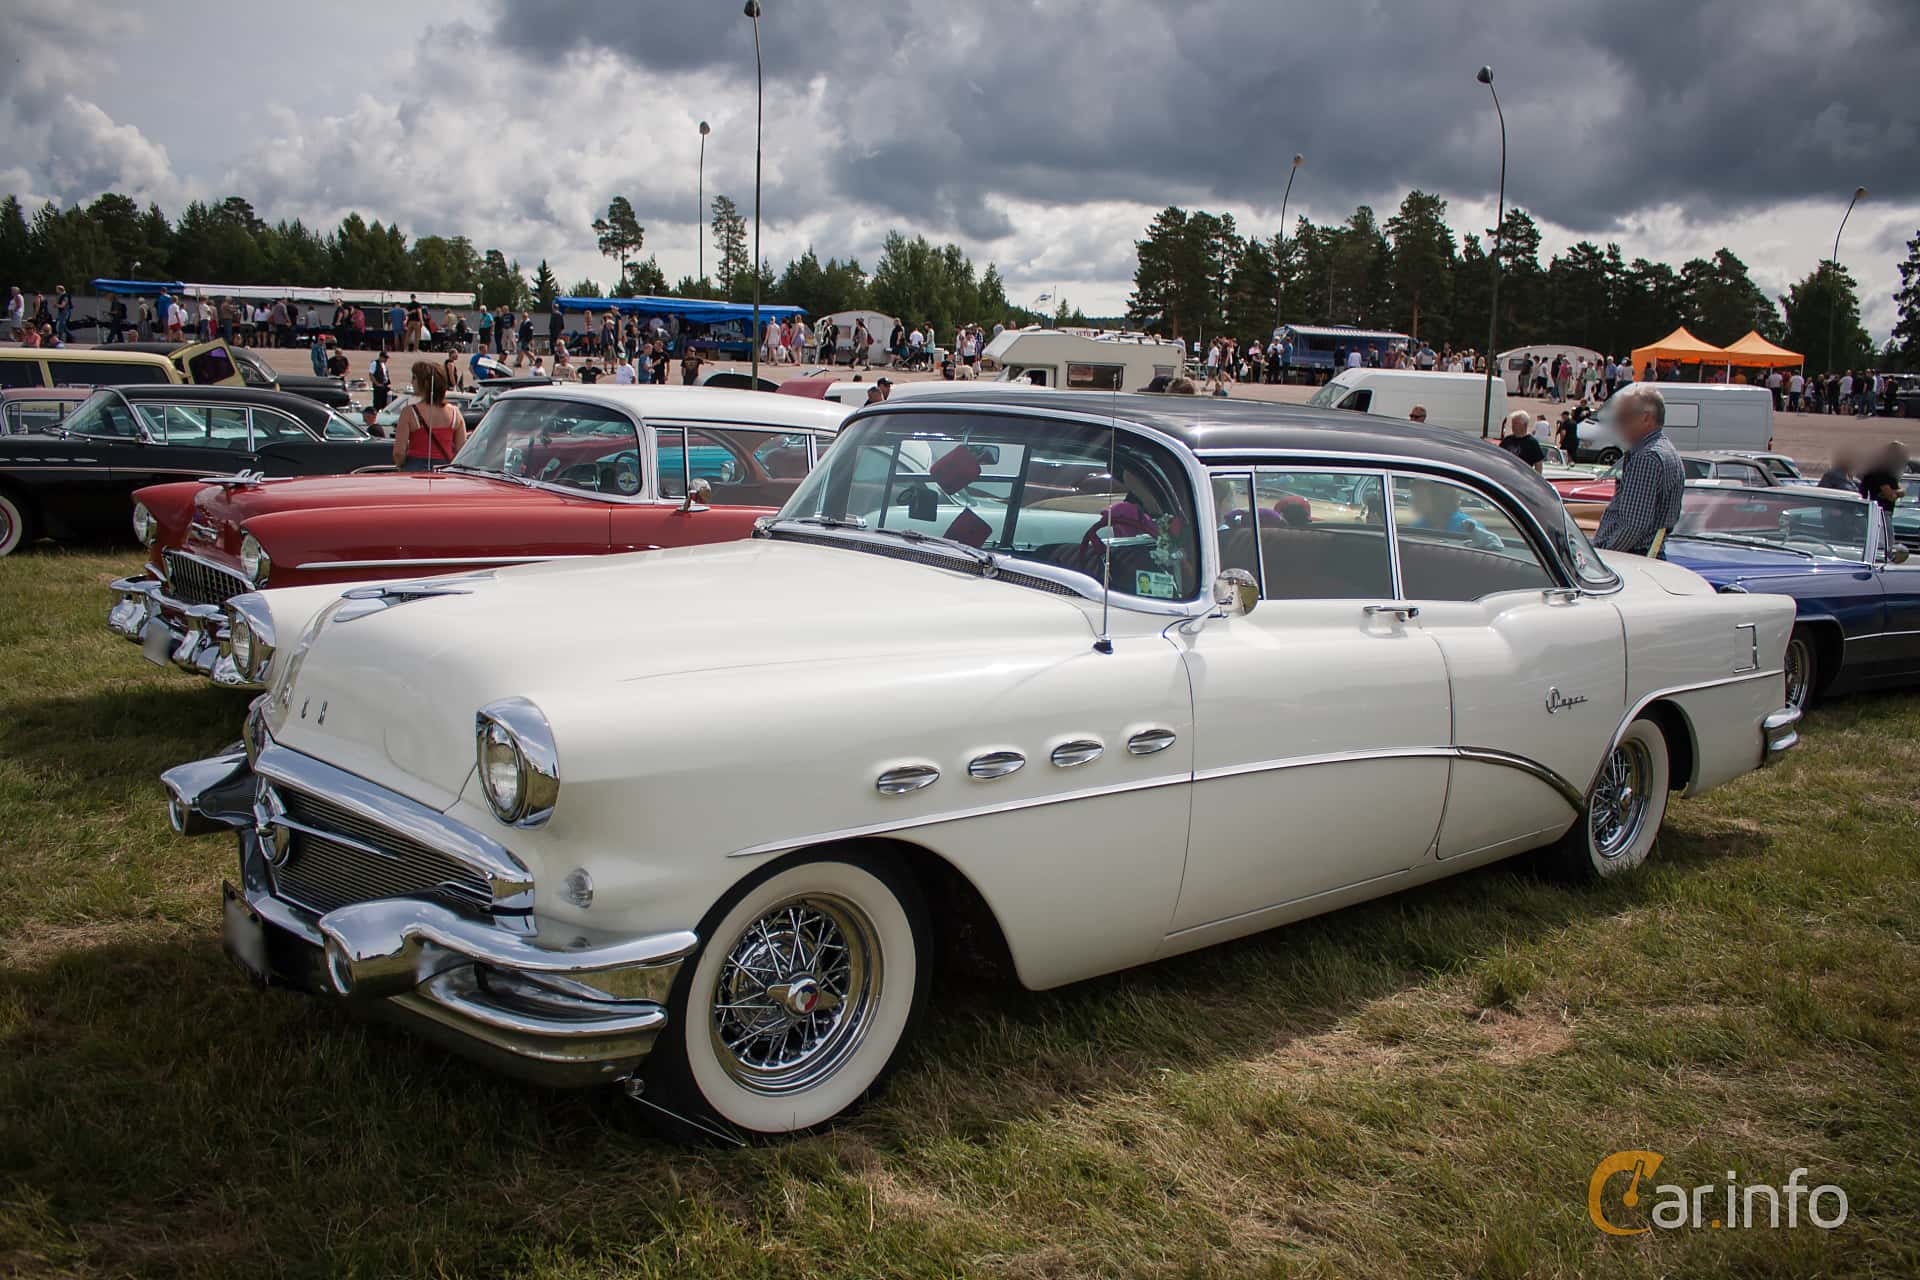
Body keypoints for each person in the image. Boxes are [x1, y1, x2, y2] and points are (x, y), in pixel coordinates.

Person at [1592, 384, 1684, 556]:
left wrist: (1606, 555)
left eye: (1624, 418)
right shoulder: (1665, 450)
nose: (1618, 425)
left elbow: (1633, 523)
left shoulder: (1646, 457)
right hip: (1644, 554)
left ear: (1646, 418)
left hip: (1632, 556)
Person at [392, 361, 467, 472]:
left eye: (414, 377)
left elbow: (399, 452)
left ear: (424, 383)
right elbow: (462, 450)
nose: (411, 382)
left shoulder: (409, 412)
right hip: (445, 470)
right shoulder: (455, 413)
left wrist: (401, 465)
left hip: (415, 469)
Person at [1410, 480, 1503, 550]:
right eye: (1414, 496)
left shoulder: (1469, 527)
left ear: (1438, 499)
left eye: (1419, 497)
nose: (1413, 501)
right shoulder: (1419, 526)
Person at [1857, 443, 1908, 512]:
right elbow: (1891, 497)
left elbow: (1902, 492)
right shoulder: (1881, 471)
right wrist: (1893, 493)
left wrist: (1893, 492)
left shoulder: (1890, 473)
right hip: (1878, 512)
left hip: (1883, 512)